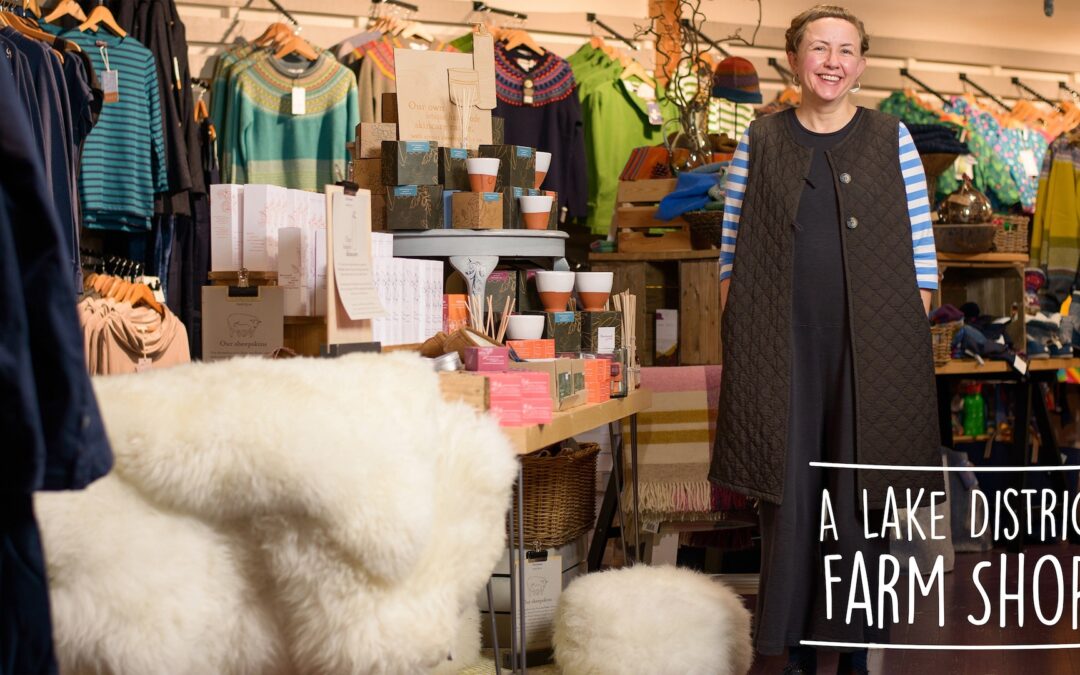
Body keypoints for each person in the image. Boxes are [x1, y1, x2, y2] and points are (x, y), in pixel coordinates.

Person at [708, 5, 942, 675]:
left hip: (869, 347)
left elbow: (922, 249)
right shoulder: (761, 138)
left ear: (861, 64)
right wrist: (744, 327)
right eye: (819, 48)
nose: (832, 61)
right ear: (794, 59)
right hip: (782, 348)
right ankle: (795, 650)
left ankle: (855, 650)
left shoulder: (892, 137)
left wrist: (904, 328)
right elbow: (732, 245)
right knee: (788, 495)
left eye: (845, 50)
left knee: (861, 495)